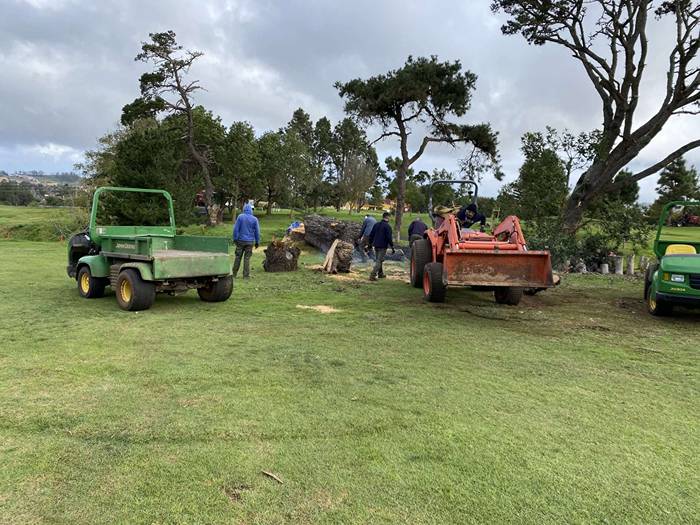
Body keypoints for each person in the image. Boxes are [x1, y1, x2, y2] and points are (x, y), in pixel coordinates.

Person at [232, 203, 260, 278]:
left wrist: (235, 238)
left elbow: (236, 229)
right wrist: (257, 242)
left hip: (240, 241)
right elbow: (257, 232)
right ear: (251, 210)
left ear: (244, 209)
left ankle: (234, 274)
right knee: (247, 258)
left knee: (238, 257)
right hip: (250, 242)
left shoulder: (240, 217)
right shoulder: (254, 219)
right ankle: (246, 276)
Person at [368, 212, 395, 281]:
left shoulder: (376, 224)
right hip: (383, 246)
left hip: (376, 245)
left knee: (379, 260)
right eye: (390, 217)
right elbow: (389, 238)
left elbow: (371, 235)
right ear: (387, 217)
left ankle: (380, 274)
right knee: (379, 261)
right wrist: (392, 247)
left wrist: (369, 244)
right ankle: (372, 275)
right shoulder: (387, 227)